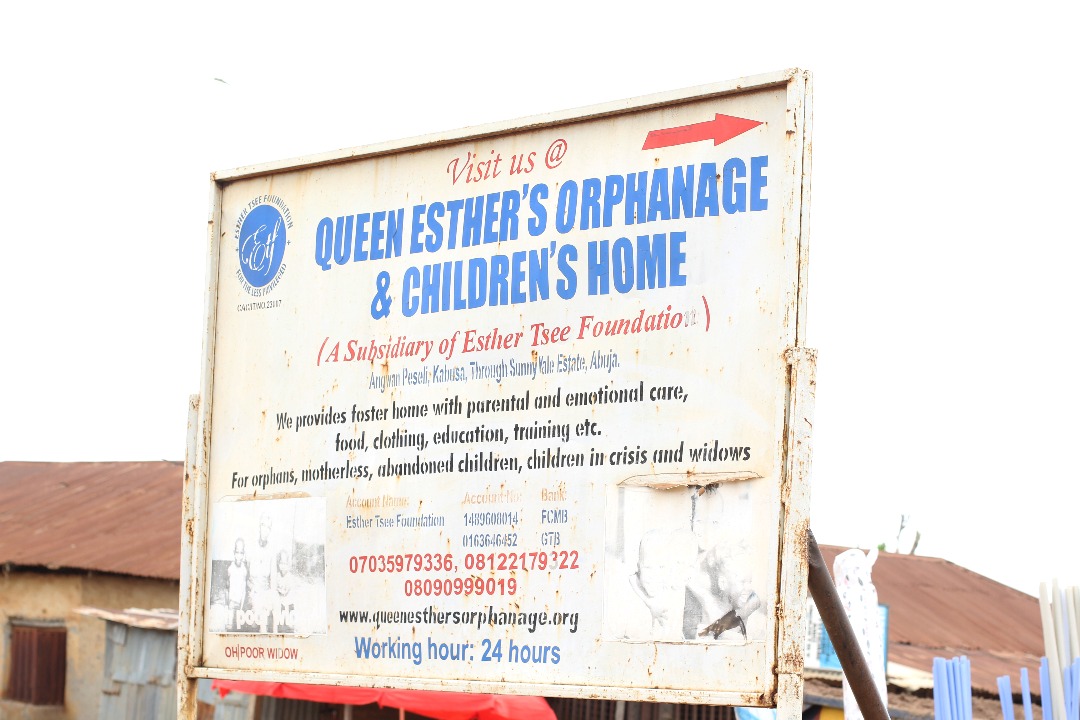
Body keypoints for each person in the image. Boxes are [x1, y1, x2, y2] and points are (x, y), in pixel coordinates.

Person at [246, 513, 275, 631]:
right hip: (253, 592)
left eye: (268, 527)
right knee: (257, 620)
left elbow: (273, 580)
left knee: (264, 618)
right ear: (259, 527)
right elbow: (247, 574)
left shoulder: (272, 551)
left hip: (265, 593)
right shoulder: (251, 548)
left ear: (270, 531)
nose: (265, 530)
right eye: (263, 525)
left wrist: (271, 599)